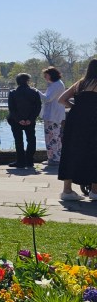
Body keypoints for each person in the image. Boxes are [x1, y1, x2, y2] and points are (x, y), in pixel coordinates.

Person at [58, 59, 97, 200]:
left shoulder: (80, 83)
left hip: (75, 121)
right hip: (93, 121)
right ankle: (94, 190)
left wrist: (75, 107)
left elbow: (61, 99)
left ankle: (67, 191)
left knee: (71, 151)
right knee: (93, 152)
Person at [6, 72, 41, 169]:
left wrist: (19, 119)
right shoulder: (34, 92)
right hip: (30, 120)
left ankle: (20, 161)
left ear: (17, 82)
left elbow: (11, 108)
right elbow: (38, 107)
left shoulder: (13, 93)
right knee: (31, 139)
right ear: (28, 81)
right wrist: (31, 119)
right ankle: (29, 161)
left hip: (16, 120)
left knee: (18, 141)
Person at [40, 66, 66, 168]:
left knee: (51, 137)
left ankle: (53, 158)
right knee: (56, 137)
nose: (45, 77)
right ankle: (56, 157)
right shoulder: (57, 84)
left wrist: (36, 92)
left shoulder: (56, 85)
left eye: (46, 75)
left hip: (52, 115)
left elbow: (47, 99)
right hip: (55, 114)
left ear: (51, 74)